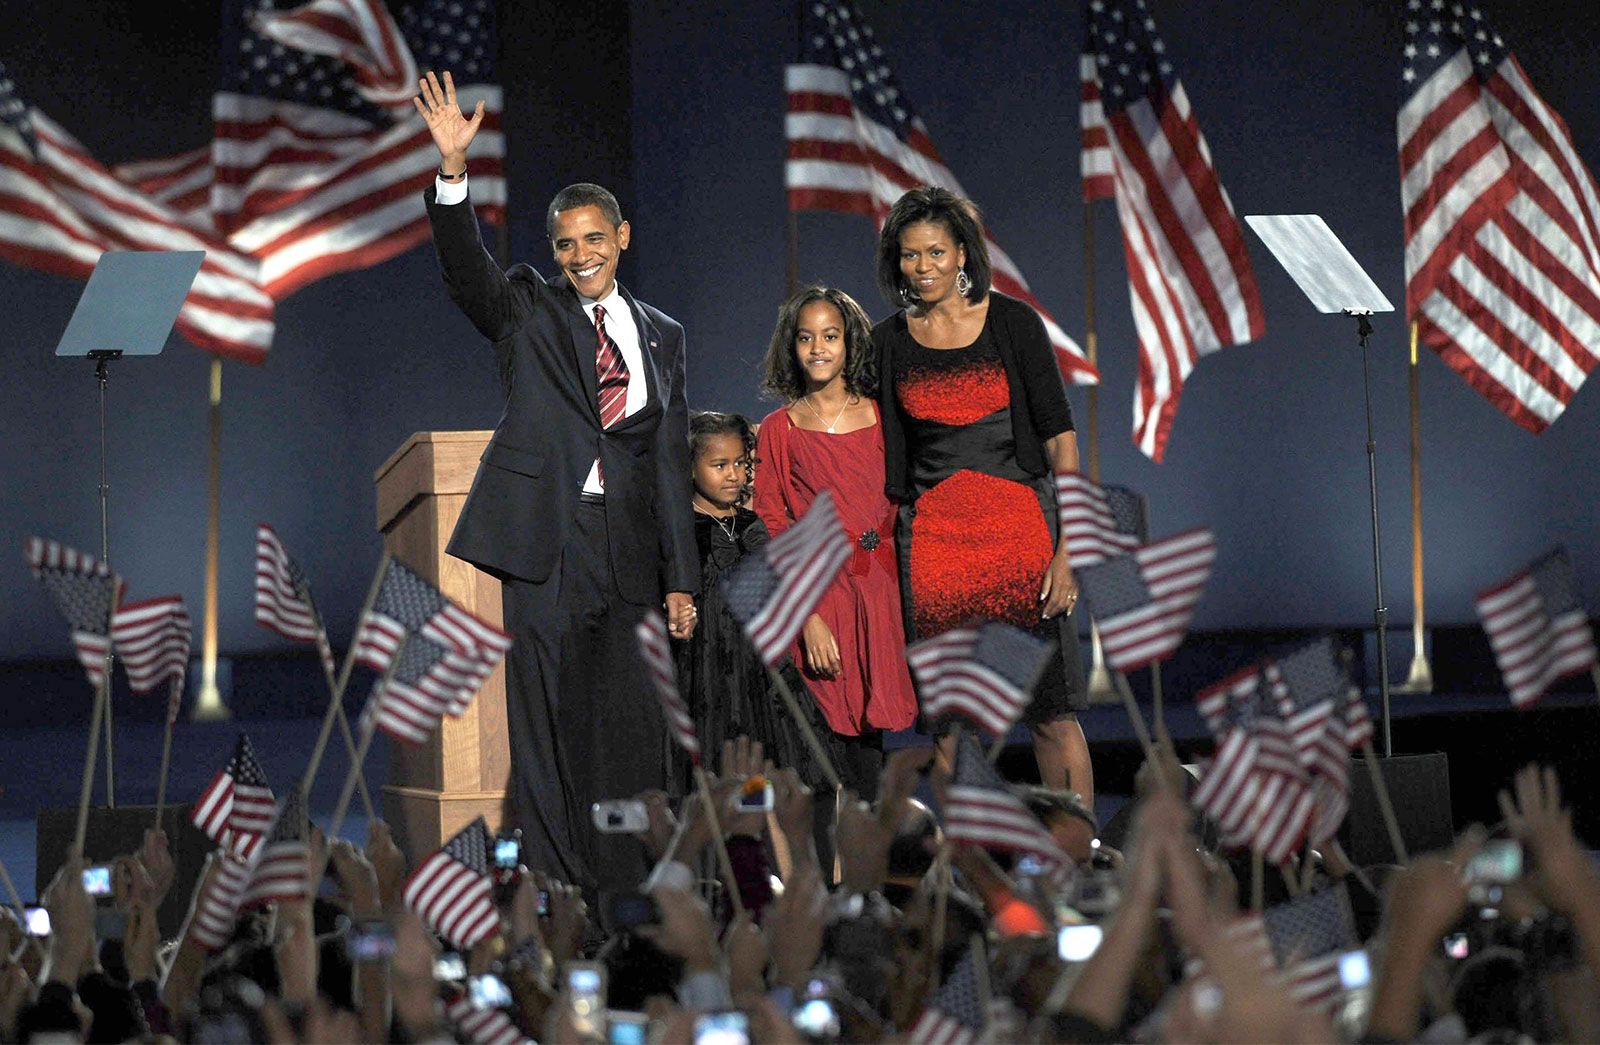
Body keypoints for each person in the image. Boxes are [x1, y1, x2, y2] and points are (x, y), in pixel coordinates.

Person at [413, 71, 698, 896]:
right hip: (550, 541)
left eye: (593, 238)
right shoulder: (528, 309)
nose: (580, 255)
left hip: (630, 549)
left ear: (622, 236)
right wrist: (453, 173)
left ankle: (634, 886)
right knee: (545, 722)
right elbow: (466, 271)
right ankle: (557, 890)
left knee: (634, 725)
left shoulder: (664, 334)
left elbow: (670, 457)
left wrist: (681, 576)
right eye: (566, 244)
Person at [871, 186, 1094, 807]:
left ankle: (1076, 851)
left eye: (936, 252)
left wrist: (1069, 551)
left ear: (963, 253)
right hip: (935, 552)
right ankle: (967, 858)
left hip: (1022, 542)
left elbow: (1062, 443)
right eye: (911, 255)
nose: (924, 267)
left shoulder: (1014, 323)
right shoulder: (887, 342)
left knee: (1050, 714)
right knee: (952, 727)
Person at [753, 286, 918, 797]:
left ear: (850, 343)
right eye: (806, 338)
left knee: (870, 750)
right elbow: (772, 524)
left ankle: (864, 849)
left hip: (879, 592)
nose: (818, 348)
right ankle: (821, 851)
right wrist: (807, 618)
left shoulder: (884, 417)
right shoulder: (779, 429)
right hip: (819, 597)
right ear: (791, 346)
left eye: (830, 336)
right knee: (822, 755)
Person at [672, 412, 812, 784]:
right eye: (719, 465)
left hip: (756, 669)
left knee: (760, 763)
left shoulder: (751, 525)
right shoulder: (681, 530)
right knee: (712, 763)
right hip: (704, 665)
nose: (733, 474)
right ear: (691, 468)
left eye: (739, 463)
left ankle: (756, 819)